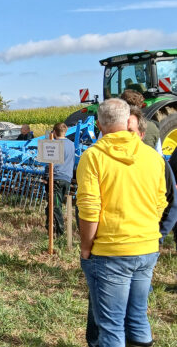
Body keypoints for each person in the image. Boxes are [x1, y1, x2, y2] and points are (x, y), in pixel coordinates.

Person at [77, 98, 167, 347]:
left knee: (111, 325)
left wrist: (86, 247)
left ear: (99, 124)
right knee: (138, 317)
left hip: (111, 251)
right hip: (147, 247)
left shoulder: (93, 157)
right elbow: (161, 202)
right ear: (129, 121)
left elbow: (90, 208)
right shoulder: (152, 157)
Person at [44, 123, 75, 237]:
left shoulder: (54, 145)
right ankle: (50, 228)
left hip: (56, 178)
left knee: (55, 206)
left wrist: (46, 177)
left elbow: (50, 163)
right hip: (66, 178)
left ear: (54, 132)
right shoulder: (72, 145)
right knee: (52, 205)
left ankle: (59, 232)